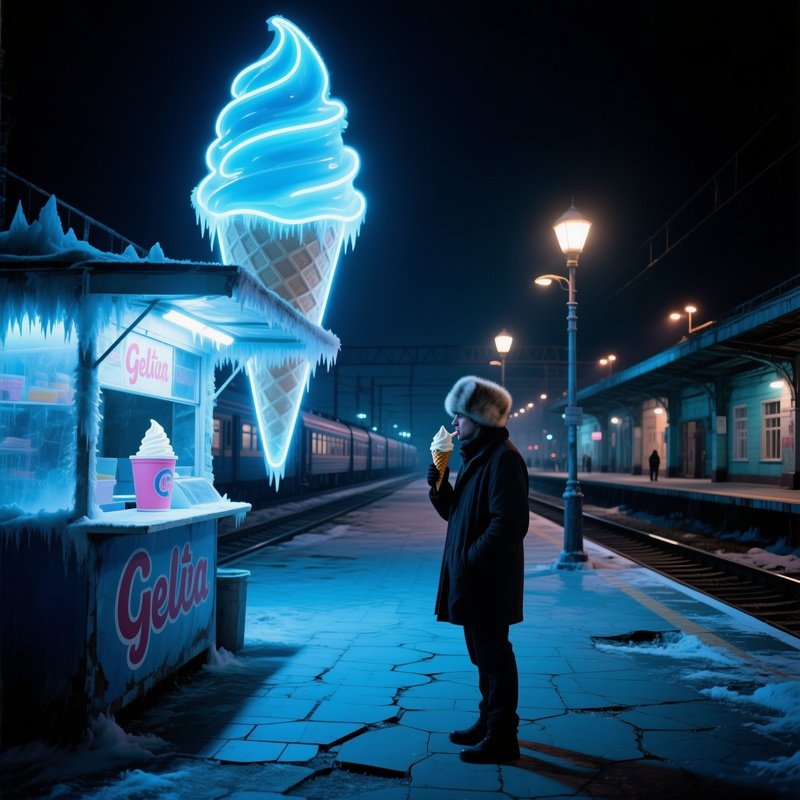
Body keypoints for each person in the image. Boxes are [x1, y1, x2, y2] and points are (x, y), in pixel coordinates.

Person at [426, 375, 529, 764]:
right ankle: (488, 722)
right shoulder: (478, 457)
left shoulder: (503, 459)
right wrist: (438, 480)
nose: (454, 424)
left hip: (488, 580)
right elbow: (456, 515)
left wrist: (469, 560)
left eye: (459, 417)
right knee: (482, 656)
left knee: (495, 657)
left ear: (480, 419)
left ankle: (503, 737)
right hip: (476, 579)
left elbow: (510, 524)